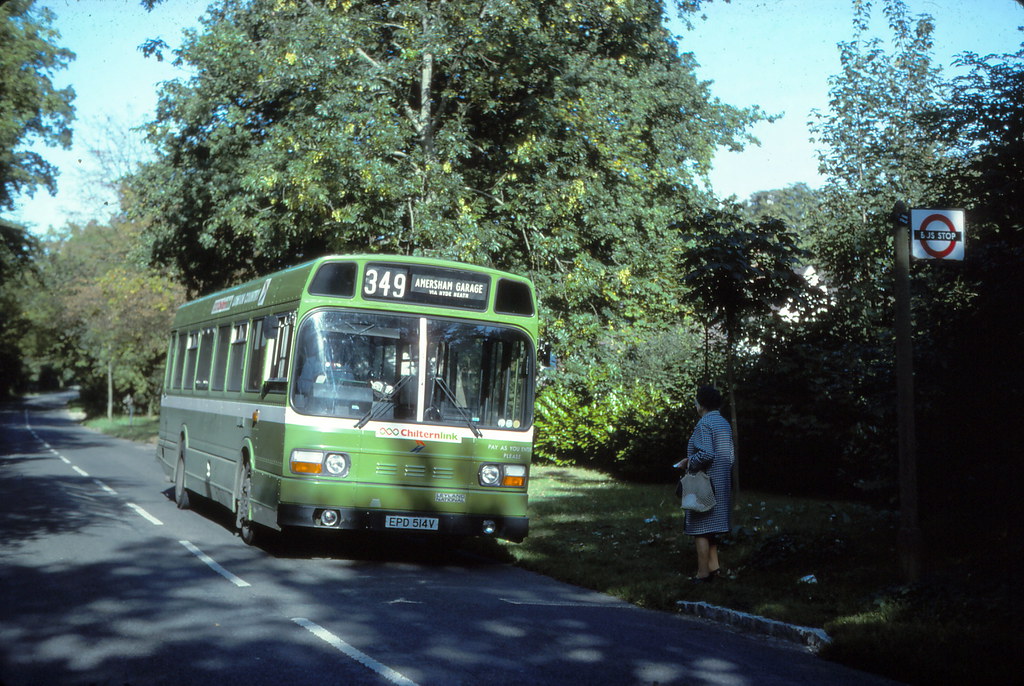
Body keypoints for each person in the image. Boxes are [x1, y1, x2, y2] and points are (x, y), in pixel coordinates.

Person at [674, 385, 735, 583]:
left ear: (701, 405)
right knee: (711, 528)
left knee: (699, 528)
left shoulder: (704, 424)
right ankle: (714, 568)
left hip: (704, 483)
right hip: (722, 481)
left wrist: (687, 462)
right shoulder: (723, 423)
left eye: (696, 401)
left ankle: (702, 574)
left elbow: (707, 453)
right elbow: (729, 456)